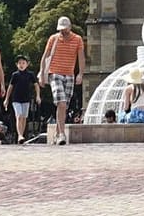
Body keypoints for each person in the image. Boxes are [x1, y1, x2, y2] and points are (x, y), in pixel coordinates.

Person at [39, 16, 86, 145]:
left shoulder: (77, 39)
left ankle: (57, 134)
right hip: (54, 73)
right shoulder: (53, 38)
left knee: (63, 106)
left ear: (70, 27)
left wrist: (80, 73)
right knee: (62, 102)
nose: (63, 32)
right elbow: (45, 56)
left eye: (65, 29)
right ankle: (61, 134)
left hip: (69, 74)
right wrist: (42, 75)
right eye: (61, 29)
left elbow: (81, 57)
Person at [6, 55, 39, 144]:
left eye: (23, 63)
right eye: (19, 63)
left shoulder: (30, 74)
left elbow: (36, 85)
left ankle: (22, 135)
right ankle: (20, 135)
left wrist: (38, 96)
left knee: (24, 118)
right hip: (16, 99)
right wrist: (6, 99)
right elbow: (10, 87)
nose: (21, 65)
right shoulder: (15, 75)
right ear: (17, 65)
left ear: (27, 64)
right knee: (19, 116)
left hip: (26, 99)